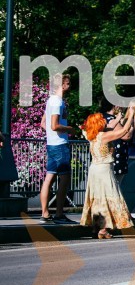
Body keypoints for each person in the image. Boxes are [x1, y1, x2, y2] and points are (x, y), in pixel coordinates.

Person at [79, 110, 135, 239]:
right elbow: (123, 132)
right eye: (102, 120)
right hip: (104, 170)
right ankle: (103, 229)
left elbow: (110, 126)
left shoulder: (90, 134)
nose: (105, 120)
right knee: (108, 197)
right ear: (99, 124)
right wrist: (131, 114)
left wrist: (119, 117)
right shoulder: (103, 136)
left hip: (94, 170)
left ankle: (95, 228)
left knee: (96, 199)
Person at [39, 74, 75, 224]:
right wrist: (69, 129)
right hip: (59, 145)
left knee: (49, 178)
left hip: (51, 144)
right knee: (65, 178)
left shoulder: (51, 101)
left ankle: (45, 213)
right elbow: (54, 126)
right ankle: (59, 214)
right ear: (62, 85)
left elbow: (43, 124)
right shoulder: (57, 102)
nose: (69, 85)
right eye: (68, 83)